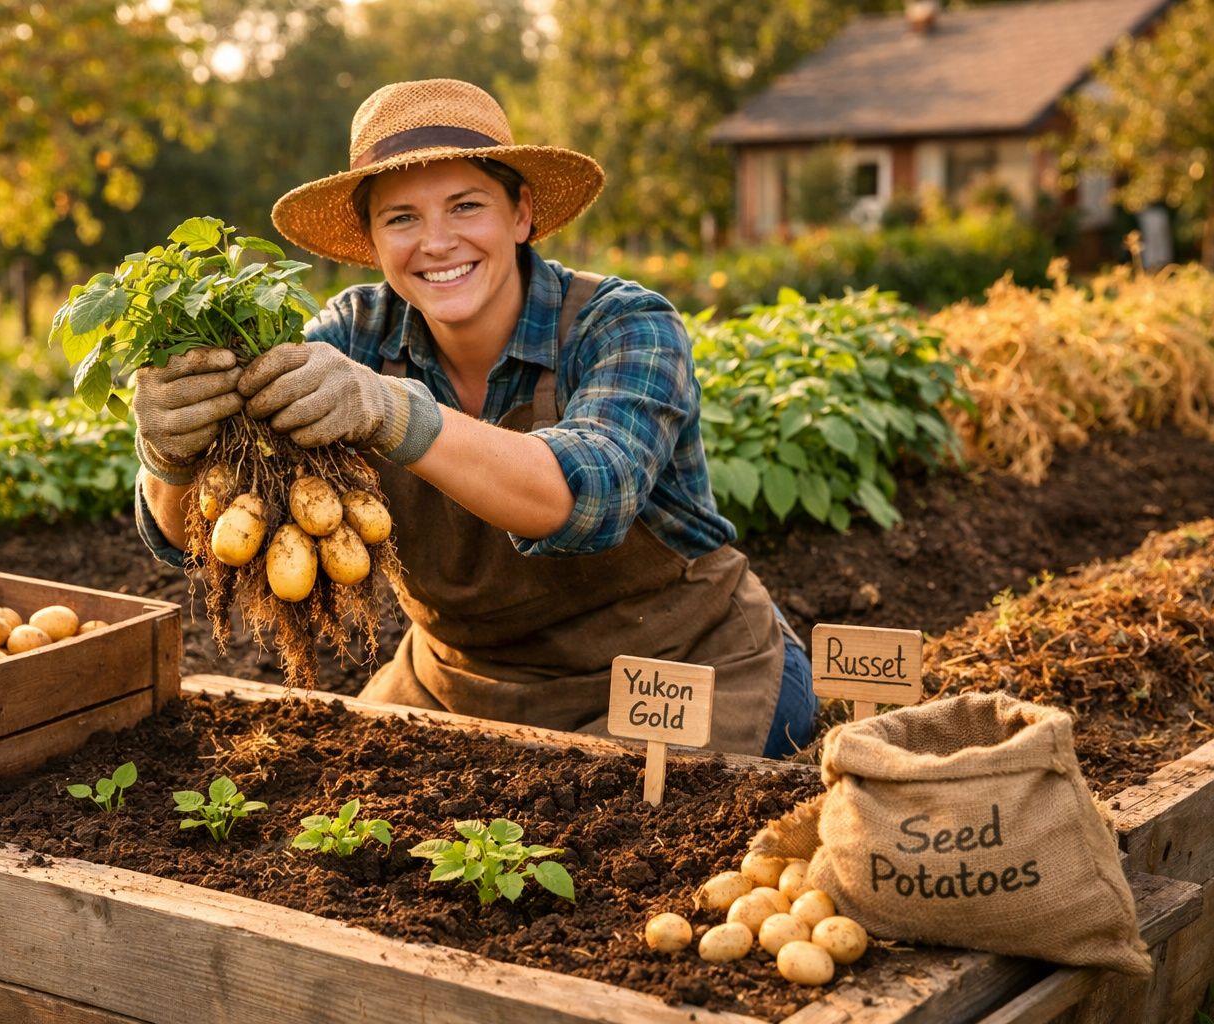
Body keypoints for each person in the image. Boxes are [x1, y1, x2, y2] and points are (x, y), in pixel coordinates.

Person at [133, 79, 816, 756]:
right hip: (456, 686)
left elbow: (593, 497)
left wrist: (392, 410)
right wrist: (172, 454)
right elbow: (188, 537)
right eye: (401, 217)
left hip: (677, 676)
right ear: (371, 242)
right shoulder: (348, 337)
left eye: (466, 206)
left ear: (521, 216)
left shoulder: (623, 325)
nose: (436, 241)